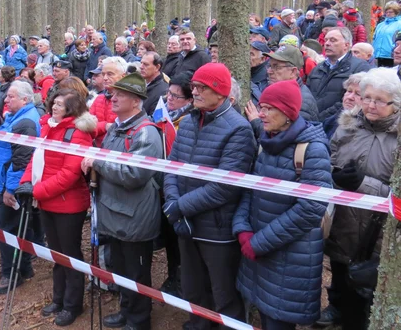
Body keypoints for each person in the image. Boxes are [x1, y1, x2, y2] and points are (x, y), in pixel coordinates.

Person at [233, 80, 332, 330]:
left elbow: (310, 209)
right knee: (265, 315)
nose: (260, 113)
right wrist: (242, 227)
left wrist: (259, 242)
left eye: (268, 108)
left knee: (278, 320)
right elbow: (251, 188)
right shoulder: (267, 142)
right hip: (258, 247)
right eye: (261, 106)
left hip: (290, 255)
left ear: (288, 113)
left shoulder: (312, 150)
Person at [164, 63, 256, 330]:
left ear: (220, 92)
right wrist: (172, 201)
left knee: (223, 291)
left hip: (216, 226)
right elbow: (172, 165)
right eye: (194, 87)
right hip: (185, 221)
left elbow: (226, 186)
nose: (195, 92)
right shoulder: (191, 120)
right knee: (193, 285)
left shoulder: (238, 129)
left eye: (202, 88)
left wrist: (180, 206)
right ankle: (198, 324)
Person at [80, 72, 164, 330]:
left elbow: (135, 175)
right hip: (114, 212)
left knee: (136, 273)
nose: (112, 98)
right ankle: (126, 312)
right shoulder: (117, 127)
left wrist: (99, 163)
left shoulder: (146, 133)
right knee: (121, 270)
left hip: (135, 217)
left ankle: (139, 321)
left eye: (120, 95)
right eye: (113, 93)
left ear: (137, 101)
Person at [319, 68, 401, 330]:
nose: (370, 105)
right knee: (341, 270)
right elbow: (330, 160)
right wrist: (336, 175)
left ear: (395, 103)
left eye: (379, 100)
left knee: (368, 288)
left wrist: (363, 184)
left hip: (380, 231)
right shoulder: (347, 125)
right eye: (366, 97)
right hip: (344, 220)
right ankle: (336, 309)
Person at [16, 91, 97, 326]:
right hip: (46, 200)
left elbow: (70, 174)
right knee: (55, 253)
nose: (54, 107)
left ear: (72, 108)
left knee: (70, 255)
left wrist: (36, 191)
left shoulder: (79, 133)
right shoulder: (48, 128)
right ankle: (58, 298)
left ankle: (73, 304)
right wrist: (25, 182)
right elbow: (36, 159)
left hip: (68, 204)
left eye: (60, 104)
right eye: (54, 103)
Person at [0, 81, 41, 295]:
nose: (6, 100)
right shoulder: (14, 117)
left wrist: (11, 189)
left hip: (15, 186)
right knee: (19, 226)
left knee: (2, 227)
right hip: (5, 181)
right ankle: (25, 267)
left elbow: (22, 159)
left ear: (25, 99)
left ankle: (10, 274)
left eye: (11, 97)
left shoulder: (26, 122)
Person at [307, 27, 370, 120]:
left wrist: (321, 118)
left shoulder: (360, 67)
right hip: (311, 121)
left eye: (333, 40)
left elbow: (350, 101)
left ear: (346, 45)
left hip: (336, 123)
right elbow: (307, 94)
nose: (327, 43)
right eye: (326, 40)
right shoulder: (318, 68)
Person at [89, 57, 127, 146]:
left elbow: (121, 131)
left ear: (123, 76)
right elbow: (87, 127)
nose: (105, 78)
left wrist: (98, 127)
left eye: (110, 74)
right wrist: (105, 126)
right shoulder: (98, 99)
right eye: (103, 74)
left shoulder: (128, 101)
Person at [322, 73, 364, 140]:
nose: (350, 97)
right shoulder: (330, 121)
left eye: (358, 94)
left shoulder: (367, 129)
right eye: (349, 91)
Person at [372, 1, 401, 66]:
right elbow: (375, 38)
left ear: (396, 12)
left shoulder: (399, 24)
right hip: (378, 56)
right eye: (386, 12)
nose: (388, 14)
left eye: (390, 12)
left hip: (391, 56)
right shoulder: (380, 25)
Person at [140, 52, 168, 116]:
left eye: (146, 64)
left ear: (157, 67)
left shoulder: (163, 91)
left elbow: (155, 119)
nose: (141, 67)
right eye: (141, 63)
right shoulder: (140, 84)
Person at [249, 41, 270, 105]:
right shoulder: (253, 69)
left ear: (262, 59)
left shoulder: (267, 76)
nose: (247, 57)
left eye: (251, 54)